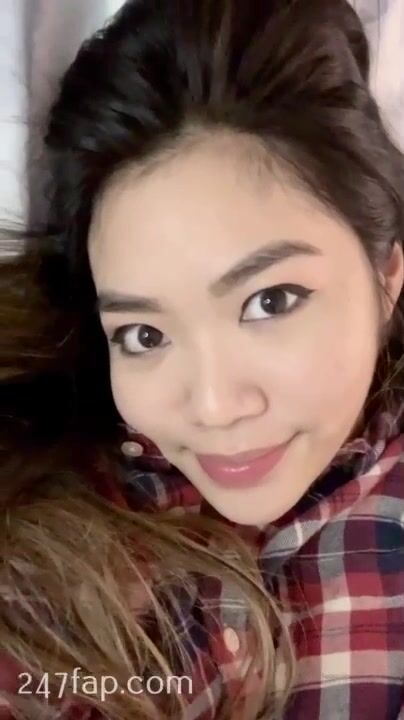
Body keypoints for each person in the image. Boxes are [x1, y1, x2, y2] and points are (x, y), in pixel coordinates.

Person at [0, 0, 403, 718]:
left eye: (270, 301)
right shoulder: (42, 532)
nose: (213, 407)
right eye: (144, 335)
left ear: (387, 274)